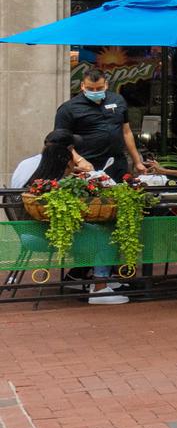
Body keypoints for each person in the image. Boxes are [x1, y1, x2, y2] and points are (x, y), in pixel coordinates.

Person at [9, 130, 128, 304]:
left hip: (28, 230)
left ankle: (80, 277)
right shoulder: (53, 186)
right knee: (106, 233)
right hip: (46, 235)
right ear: (65, 157)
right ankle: (99, 288)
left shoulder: (35, 171)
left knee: (93, 230)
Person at [54, 66, 143, 177]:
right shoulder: (68, 109)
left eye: (99, 88)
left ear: (106, 85)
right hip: (88, 165)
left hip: (117, 162)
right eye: (90, 89)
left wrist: (137, 161)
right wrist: (79, 160)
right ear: (82, 86)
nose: (95, 92)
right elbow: (59, 141)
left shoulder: (118, 100)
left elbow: (126, 132)